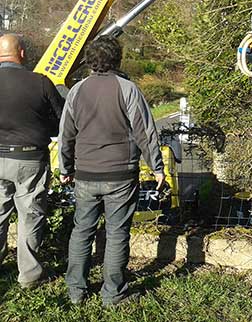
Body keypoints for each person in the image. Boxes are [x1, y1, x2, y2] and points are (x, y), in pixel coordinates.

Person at [58, 35, 165, 306]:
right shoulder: (128, 89)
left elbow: (66, 134)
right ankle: (113, 294)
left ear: (90, 61)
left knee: (82, 230)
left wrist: (65, 167)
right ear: (117, 59)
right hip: (121, 175)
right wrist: (157, 167)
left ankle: (75, 292)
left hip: (85, 174)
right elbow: (145, 132)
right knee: (117, 233)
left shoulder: (77, 91)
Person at [0, 33, 64, 287]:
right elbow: (61, 121)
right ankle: (29, 275)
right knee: (30, 215)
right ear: (22, 53)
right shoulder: (40, 82)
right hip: (29, 158)